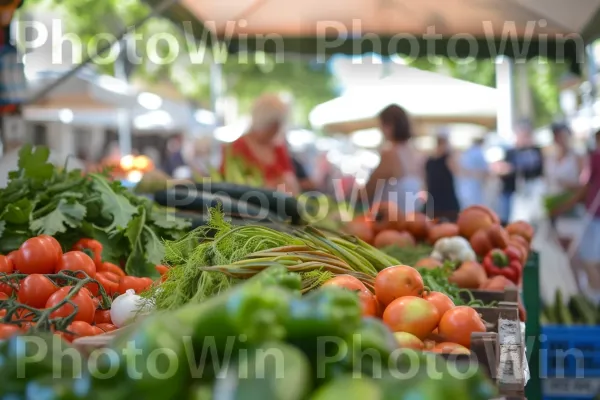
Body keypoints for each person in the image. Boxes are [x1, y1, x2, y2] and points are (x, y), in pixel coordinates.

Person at [221, 94, 299, 194]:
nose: (275, 130)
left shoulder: (278, 148)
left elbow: (291, 181)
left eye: (277, 126)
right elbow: (229, 184)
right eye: (272, 126)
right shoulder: (236, 148)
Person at [553, 130, 600, 291]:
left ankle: (594, 302)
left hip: (593, 214)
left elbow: (584, 185)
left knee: (587, 259)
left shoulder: (595, 157)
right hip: (592, 214)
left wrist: (563, 205)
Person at [364, 104, 423, 213]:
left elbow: (369, 189)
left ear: (389, 126)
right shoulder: (415, 151)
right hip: (413, 217)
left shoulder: (390, 153)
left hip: (390, 219)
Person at [494, 120, 544, 224]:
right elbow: (503, 169)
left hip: (530, 192)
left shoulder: (535, 151)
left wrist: (513, 168)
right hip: (512, 192)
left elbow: (538, 170)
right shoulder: (511, 152)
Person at [424, 133, 461, 221]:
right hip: (434, 198)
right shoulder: (430, 160)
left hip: (446, 198)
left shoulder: (448, 159)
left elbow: (456, 171)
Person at [457, 137, 489, 208]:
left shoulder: (467, 152)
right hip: (474, 186)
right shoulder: (478, 152)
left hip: (466, 186)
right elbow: (485, 170)